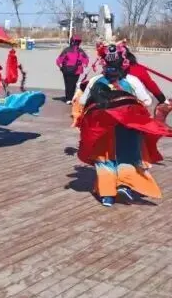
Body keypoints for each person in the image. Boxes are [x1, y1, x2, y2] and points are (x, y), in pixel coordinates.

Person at [73, 44, 172, 207]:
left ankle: (107, 195)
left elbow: (83, 102)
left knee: (105, 159)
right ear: (124, 62)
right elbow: (147, 101)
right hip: (127, 126)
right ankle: (125, 185)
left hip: (103, 128)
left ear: (104, 62)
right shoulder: (132, 80)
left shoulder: (95, 81)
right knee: (128, 155)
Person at [56, 37, 89, 102]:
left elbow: (59, 60)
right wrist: (85, 64)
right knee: (73, 84)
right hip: (77, 70)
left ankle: (68, 98)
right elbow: (86, 59)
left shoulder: (66, 50)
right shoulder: (80, 50)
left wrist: (60, 67)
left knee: (68, 84)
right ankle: (70, 98)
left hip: (66, 70)